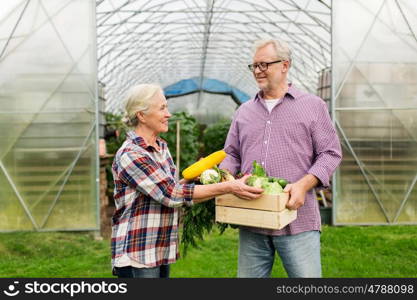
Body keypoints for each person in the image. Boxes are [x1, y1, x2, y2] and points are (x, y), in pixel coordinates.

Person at [111, 83, 263, 278]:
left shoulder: (160, 148)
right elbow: (171, 195)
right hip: (137, 252)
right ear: (141, 115)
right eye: (162, 108)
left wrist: (197, 179)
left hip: (158, 248)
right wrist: (229, 186)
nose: (168, 114)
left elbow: (167, 189)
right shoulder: (131, 154)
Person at [219, 39, 342, 278]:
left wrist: (304, 184)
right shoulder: (244, 111)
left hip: (298, 219)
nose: (257, 71)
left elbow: (330, 153)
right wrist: (225, 179)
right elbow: (231, 153)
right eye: (254, 66)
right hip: (252, 218)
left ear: (285, 65)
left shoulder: (312, 106)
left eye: (264, 64)